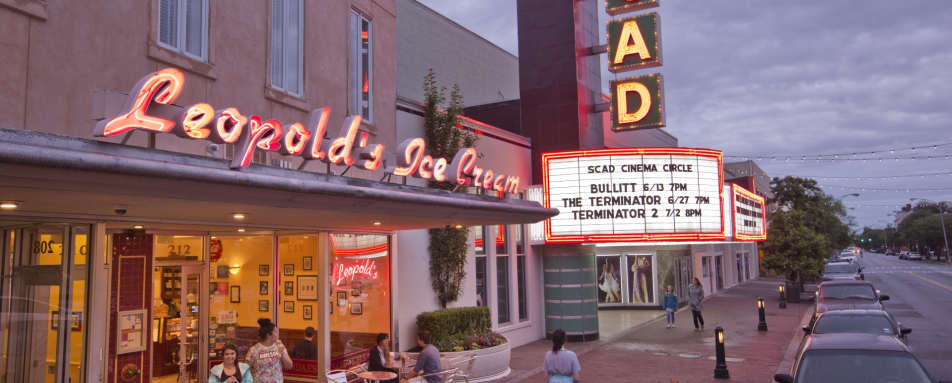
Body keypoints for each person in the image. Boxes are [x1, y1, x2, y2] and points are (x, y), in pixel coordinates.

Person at [246, 318, 293, 383]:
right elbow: (246, 369)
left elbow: (289, 366)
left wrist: (282, 353)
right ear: (269, 335)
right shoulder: (253, 350)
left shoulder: (279, 346)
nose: (278, 334)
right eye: (276, 332)